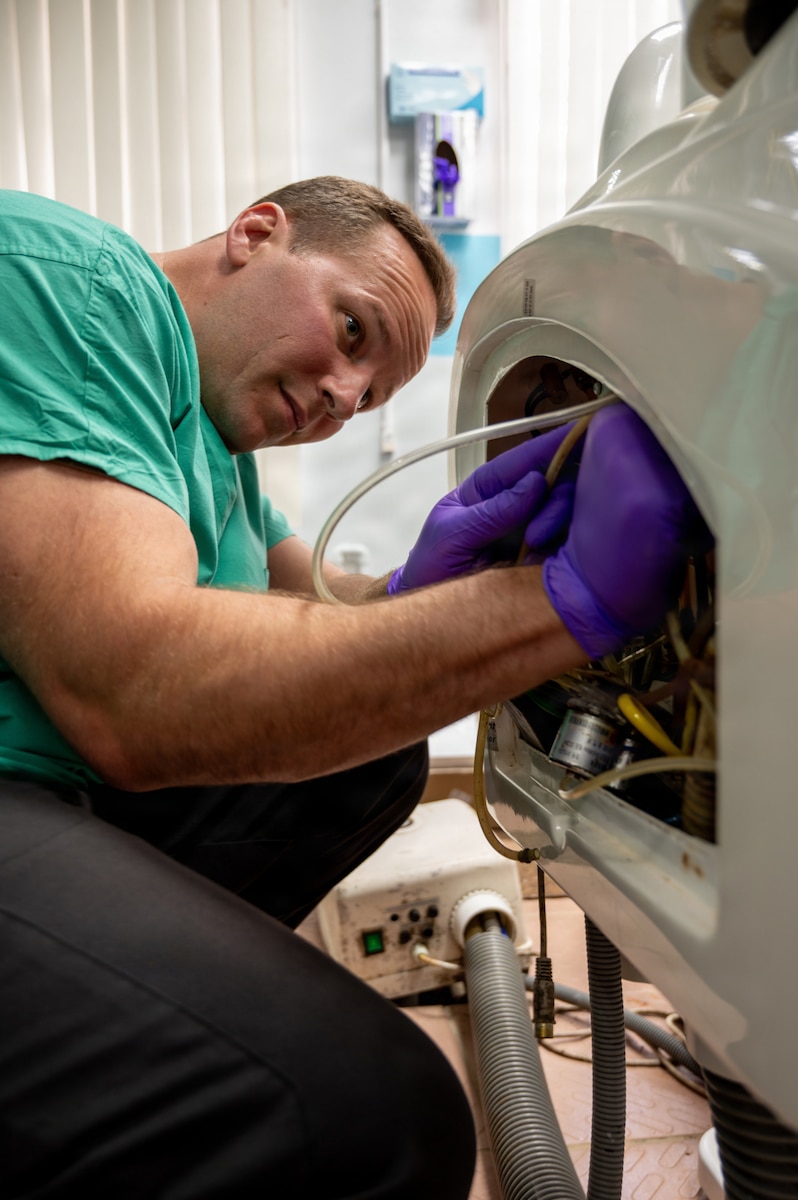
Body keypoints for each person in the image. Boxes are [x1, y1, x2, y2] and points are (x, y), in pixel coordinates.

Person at [0, 177, 706, 1199]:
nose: (343, 395)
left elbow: (327, 615)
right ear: (256, 235)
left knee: (370, 756)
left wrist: (447, 584)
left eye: (371, 395)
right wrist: (556, 604)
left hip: (61, 792)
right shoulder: (72, 280)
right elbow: (136, 688)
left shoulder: (214, 448)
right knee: (364, 1115)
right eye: (350, 330)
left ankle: (144, 1042)